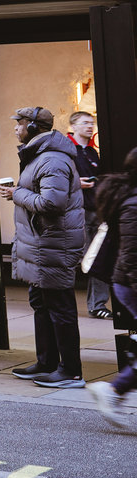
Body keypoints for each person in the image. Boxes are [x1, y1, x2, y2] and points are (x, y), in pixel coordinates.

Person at [3, 106, 87, 389]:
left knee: (59, 306)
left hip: (53, 244)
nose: (16, 128)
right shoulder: (38, 156)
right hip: (42, 244)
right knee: (41, 303)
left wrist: (17, 193)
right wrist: (20, 193)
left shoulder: (51, 160)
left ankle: (71, 372)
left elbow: (52, 204)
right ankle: (47, 362)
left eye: (20, 123)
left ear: (35, 127)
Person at [87, 146, 137, 428]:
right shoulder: (133, 204)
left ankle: (113, 391)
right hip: (130, 285)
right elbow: (131, 256)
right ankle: (113, 390)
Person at [67, 111, 109, 318]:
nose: (90, 126)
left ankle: (97, 305)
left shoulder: (92, 152)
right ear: (73, 126)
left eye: (92, 123)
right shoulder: (66, 152)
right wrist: (77, 184)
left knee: (98, 257)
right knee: (76, 258)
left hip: (96, 211)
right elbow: (55, 181)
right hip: (76, 213)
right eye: (85, 123)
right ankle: (59, 302)